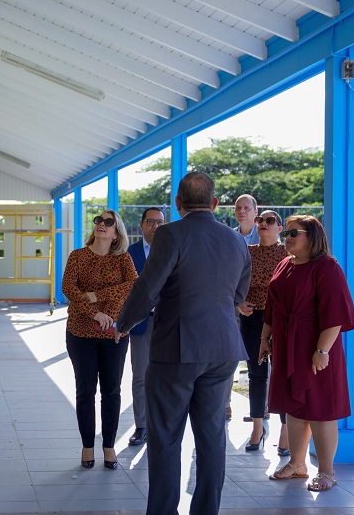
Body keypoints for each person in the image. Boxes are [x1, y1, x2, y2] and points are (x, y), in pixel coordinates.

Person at [116, 173, 251, 515]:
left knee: (165, 438)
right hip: (222, 350)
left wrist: (123, 323)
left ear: (178, 204)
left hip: (176, 348)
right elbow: (238, 293)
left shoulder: (170, 234)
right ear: (216, 203)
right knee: (212, 437)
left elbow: (148, 287)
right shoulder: (236, 241)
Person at [261, 215, 354, 492]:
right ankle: (297, 463)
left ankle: (327, 471)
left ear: (312, 236)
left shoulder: (326, 267)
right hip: (286, 344)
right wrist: (264, 338)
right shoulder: (284, 264)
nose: (288, 237)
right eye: (288, 233)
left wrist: (321, 350)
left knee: (320, 409)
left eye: (294, 233)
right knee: (294, 406)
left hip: (316, 347)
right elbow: (272, 306)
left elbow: (336, 315)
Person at [62, 210, 137, 471]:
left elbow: (133, 285)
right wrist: (95, 311)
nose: (102, 225)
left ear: (117, 233)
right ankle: (86, 446)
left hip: (113, 334)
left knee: (112, 391)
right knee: (85, 391)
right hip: (80, 332)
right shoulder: (78, 257)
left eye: (109, 223)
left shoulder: (123, 259)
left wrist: (99, 296)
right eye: (98, 221)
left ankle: (109, 446)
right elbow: (68, 288)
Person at [236, 210, 288, 453]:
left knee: (283, 373)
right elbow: (233, 282)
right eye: (260, 220)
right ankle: (257, 428)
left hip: (281, 320)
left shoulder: (287, 254)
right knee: (257, 374)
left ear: (279, 228)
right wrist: (238, 302)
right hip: (253, 318)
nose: (263, 224)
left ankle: (285, 431)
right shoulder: (247, 252)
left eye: (270, 221)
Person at [125, 207, 165, 446]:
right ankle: (141, 426)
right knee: (140, 375)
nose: (155, 226)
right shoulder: (131, 252)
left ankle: (160, 426)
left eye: (160, 222)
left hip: (168, 322)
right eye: (150, 222)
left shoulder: (172, 249)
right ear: (141, 225)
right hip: (141, 323)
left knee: (165, 376)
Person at [226, 193, 259, 420]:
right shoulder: (229, 237)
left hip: (259, 308)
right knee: (228, 356)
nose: (242, 211)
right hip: (233, 305)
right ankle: (225, 403)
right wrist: (237, 302)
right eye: (238, 207)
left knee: (258, 359)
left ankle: (261, 406)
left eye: (247, 207)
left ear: (256, 212)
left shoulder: (265, 234)